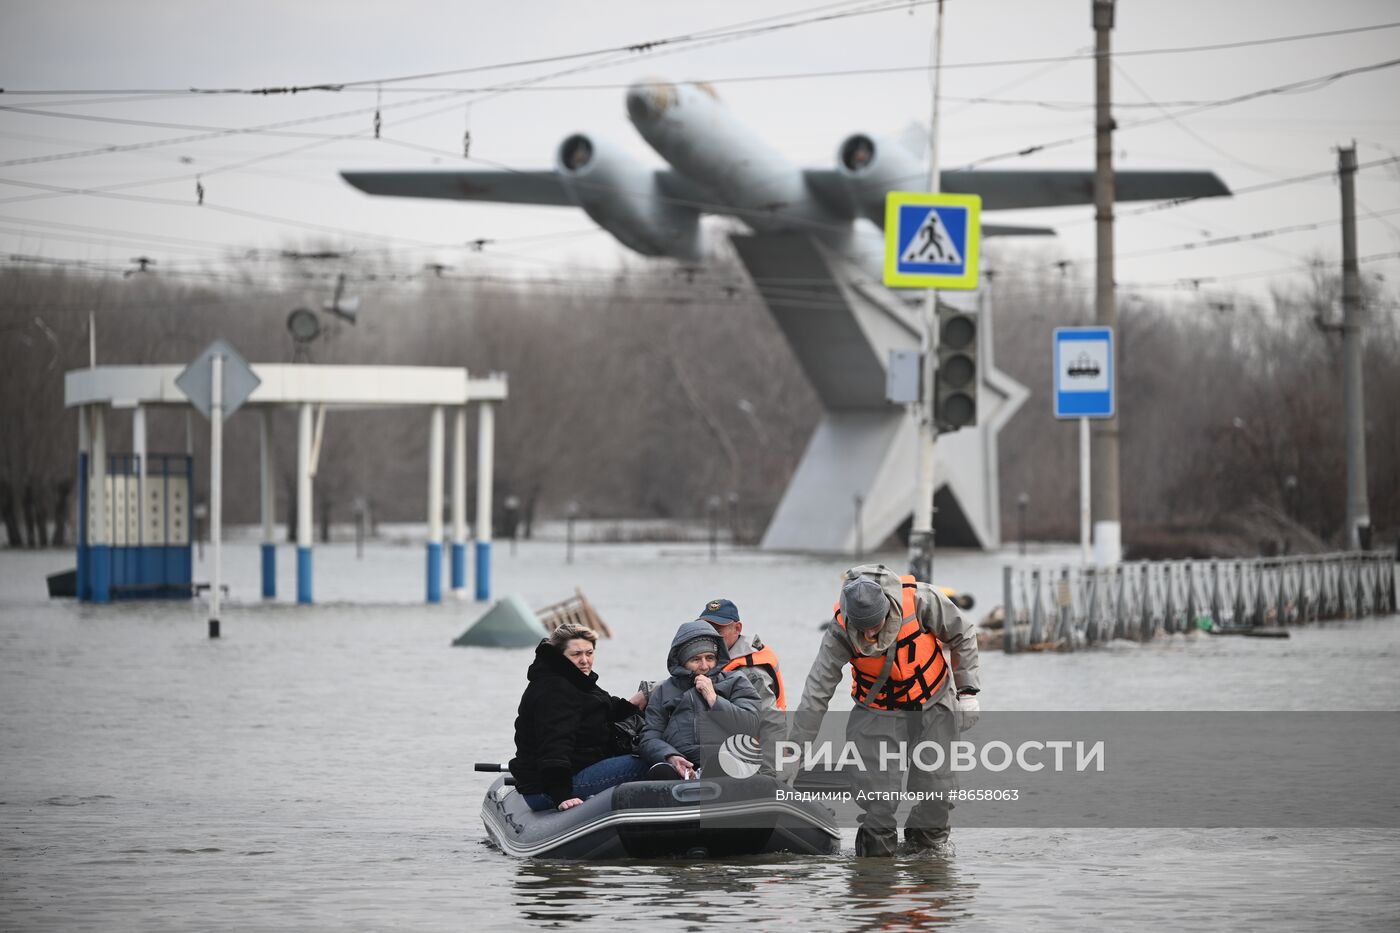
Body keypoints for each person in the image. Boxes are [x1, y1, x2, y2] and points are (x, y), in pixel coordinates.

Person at [787, 563, 982, 857]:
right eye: (862, 628)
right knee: (878, 802)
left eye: (875, 626)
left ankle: (926, 858)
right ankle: (873, 882)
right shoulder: (840, 630)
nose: (869, 634)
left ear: (887, 609)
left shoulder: (922, 601)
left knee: (937, 795)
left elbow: (963, 634)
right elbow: (816, 692)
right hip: (876, 711)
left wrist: (967, 691)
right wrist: (794, 752)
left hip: (934, 703)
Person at [509, 622, 649, 812]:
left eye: (589, 653)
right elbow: (554, 745)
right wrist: (561, 795)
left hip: (579, 769)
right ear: (560, 656)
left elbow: (603, 706)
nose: (585, 660)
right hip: (548, 789)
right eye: (576, 654)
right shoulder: (555, 690)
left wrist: (642, 700)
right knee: (647, 762)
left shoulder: (573, 679)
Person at [639, 619, 762, 778]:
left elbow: (750, 725)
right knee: (660, 771)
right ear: (682, 662)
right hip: (682, 762)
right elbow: (650, 737)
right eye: (696, 660)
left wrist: (714, 699)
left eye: (710, 658)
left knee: (721, 764)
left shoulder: (736, 681)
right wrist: (671, 756)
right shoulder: (663, 691)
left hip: (725, 759)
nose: (704, 666)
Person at [697, 597, 787, 774]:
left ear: (737, 628)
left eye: (718, 629)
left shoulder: (751, 672)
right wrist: (649, 691)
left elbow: (771, 722)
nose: (711, 635)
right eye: (707, 629)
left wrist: (769, 774)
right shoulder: (715, 657)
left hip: (748, 755)